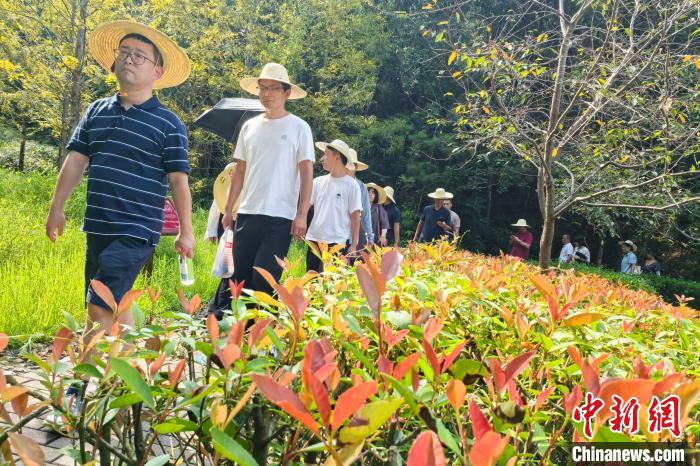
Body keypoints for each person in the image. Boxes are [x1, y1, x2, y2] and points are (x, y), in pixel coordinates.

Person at [44, 21, 193, 424]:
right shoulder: (96, 110)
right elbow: (76, 161)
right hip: (97, 226)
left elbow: (179, 180)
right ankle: (139, 384)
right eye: (124, 52)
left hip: (137, 229)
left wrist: (187, 231)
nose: (129, 59)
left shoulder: (169, 124)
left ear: (157, 71)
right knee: (114, 309)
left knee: (98, 305)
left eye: (139, 55)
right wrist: (56, 207)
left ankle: (79, 392)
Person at [222, 63, 314, 296]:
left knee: (265, 277)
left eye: (273, 88)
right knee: (238, 277)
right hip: (248, 211)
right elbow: (240, 171)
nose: (266, 93)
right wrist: (228, 208)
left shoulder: (299, 127)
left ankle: (262, 319)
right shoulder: (249, 127)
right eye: (262, 88)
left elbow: (306, 173)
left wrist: (302, 214)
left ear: (287, 93)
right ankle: (233, 318)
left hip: (280, 215)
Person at [305, 139, 362, 272]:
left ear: (337, 156)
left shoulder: (352, 185)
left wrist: (354, 244)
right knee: (311, 277)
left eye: (326, 154)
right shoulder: (318, 182)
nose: (322, 159)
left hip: (337, 241)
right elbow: (306, 206)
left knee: (332, 279)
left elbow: (355, 217)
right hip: (314, 238)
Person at [207, 163, 244, 318]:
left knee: (240, 267)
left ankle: (223, 309)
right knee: (228, 268)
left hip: (246, 220)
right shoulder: (231, 168)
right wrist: (211, 229)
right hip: (228, 222)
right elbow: (219, 197)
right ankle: (217, 311)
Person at [346, 149, 373, 250]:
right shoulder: (335, 183)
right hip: (333, 234)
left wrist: (370, 236)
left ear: (356, 167)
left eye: (351, 163)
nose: (347, 166)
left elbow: (366, 212)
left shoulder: (361, 186)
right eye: (346, 162)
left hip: (352, 235)